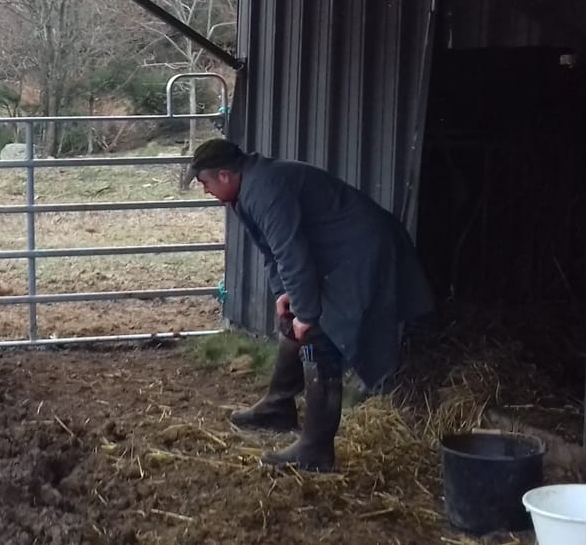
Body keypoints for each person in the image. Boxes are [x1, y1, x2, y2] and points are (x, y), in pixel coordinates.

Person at [185, 138, 435, 472]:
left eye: (205, 182)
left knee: (319, 336)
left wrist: (306, 314)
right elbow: (273, 250)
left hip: (364, 251)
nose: (205, 190)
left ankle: (315, 449)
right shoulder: (247, 189)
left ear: (224, 176)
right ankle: (278, 407)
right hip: (340, 252)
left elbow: (291, 253)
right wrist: (284, 295)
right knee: (295, 320)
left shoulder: (264, 189)